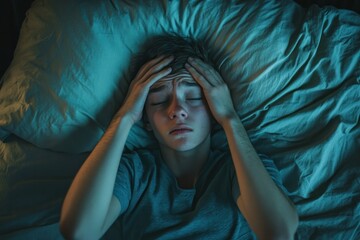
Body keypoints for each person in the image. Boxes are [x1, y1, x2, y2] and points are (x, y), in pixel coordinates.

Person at [60, 34, 299, 240]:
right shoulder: (135, 173)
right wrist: (124, 117)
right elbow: (80, 232)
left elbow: (277, 233)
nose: (176, 110)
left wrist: (229, 118)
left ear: (213, 108)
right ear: (147, 120)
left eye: (193, 97)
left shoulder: (239, 169)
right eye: (160, 101)